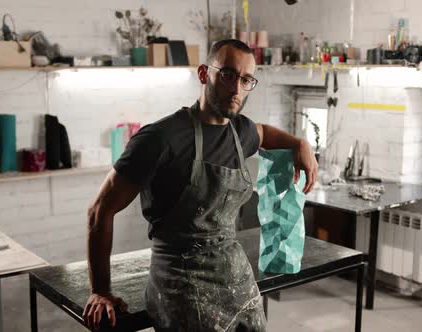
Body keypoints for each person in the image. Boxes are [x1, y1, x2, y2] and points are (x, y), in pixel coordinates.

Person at [83, 39, 318, 331]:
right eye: (228, 75)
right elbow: (99, 212)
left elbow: (265, 133)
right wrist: (100, 290)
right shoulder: (160, 138)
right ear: (204, 74)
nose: (236, 89)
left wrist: (300, 143)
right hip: (180, 278)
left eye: (246, 80)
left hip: (232, 272)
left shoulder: (240, 131)